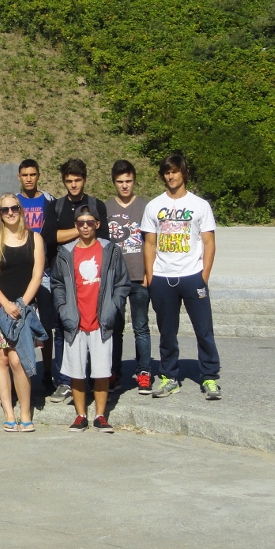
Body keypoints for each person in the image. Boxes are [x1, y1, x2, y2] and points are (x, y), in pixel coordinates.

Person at [140, 153, 221, 400]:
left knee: (203, 330)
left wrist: (203, 276)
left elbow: (209, 242)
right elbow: (149, 244)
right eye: (167, 172)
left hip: (192, 276)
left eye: (175, 171)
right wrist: (151, 276)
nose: (171, 176)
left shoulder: (200, 205)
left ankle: (209, 376)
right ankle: (169, 377)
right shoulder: (154, 206)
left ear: (183, 172)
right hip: (163, 277)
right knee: (167, 332)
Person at [51, 205, 130, 433]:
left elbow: (122, 283)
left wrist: (113, 306)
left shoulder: (110, 250)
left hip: (101, 321)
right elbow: (57, 283)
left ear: (97, 224)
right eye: (80, 223)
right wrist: (63, 308)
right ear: (76, 226)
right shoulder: (66, 253)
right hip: (75, 322)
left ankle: (100, 416)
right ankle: (81, 415)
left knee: (102, 371)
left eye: (89, 223)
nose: (85, 227)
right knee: (76, 372)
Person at [0, 193, 45, 433]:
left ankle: (25, 412)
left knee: (19, 360)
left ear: (20, 209)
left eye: (14, 208)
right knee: (1, 359)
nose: (10, 213)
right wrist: (6, 304)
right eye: (5, 209)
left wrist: (22, 304)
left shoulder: (35, 239)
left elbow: (37, 275)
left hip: (24, 306)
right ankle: (8, 411)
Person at [47, 158, 109, 404]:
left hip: (92, 278)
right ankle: (65, 381)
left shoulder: (96, 204)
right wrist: (84, 228)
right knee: (63, 328)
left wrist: (74, 232)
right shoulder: (56, 206)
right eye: (69, 181)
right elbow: (50, 237)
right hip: (64, 278)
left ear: (84, 180)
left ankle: (96, 380)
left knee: (93, 330)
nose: (73, 185)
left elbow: (103, 240)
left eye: (77, 180)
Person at [106, 160, 152, 393]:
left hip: (138, 278)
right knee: (115, 328)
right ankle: (113, 373)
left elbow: (152, 243)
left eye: (128, 181)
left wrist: (148, 273)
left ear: (134, 180)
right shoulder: (106, 207)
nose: (124, 185)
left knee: (141, 327)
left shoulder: (146, 207)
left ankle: (144, 372)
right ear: (114, 182)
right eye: (120, 181)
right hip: (115, 281)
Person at [16, 159, 59, 394]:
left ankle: (47, 373)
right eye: (25, 175)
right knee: (20, 321)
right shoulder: (14, 202)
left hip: (45, 271)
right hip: (21, 270)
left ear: (39, 175)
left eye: (32, 174)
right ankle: (21, 372)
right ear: (19, 177)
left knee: (46, 324)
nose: (29, 178)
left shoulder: (50, 200)